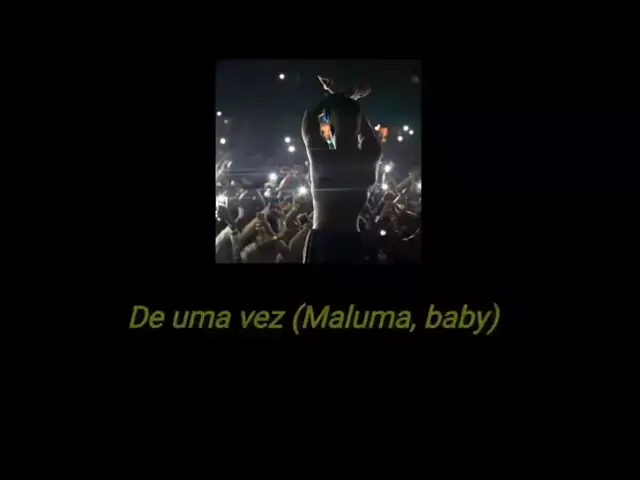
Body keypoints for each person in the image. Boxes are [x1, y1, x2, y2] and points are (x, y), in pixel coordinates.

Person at [300, 82, 382, 263]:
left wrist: (339, 96)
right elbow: (362, 126)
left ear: (332, 122)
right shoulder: (370, 155)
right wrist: (349, 100)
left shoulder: (324, 155)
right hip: (352, 240)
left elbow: (312, 117)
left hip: (324, 241)